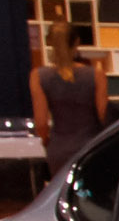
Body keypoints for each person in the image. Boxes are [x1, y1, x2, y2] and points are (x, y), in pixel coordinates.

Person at [32, 23, 108, 172]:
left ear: (50, 43)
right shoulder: (96, 74)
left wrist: (48, 142)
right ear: (77, 42)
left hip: (59, 148)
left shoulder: (38, 76)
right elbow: (104, 115)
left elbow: (41, 123)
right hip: (91, 147)